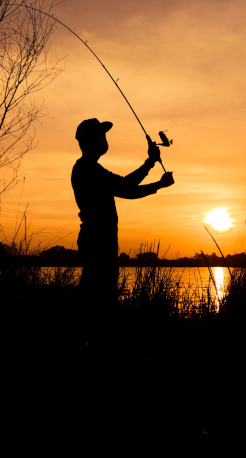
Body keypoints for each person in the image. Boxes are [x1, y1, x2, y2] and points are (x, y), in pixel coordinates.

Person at [71, 118, 175, 315]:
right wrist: (152, 168)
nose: (103, 139)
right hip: (96, 241)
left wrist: (153, 171)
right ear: (88, 141)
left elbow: (126, 189)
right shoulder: (87, 169)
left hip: (101, 240)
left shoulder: (91, 168)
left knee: (98, 299)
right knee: (99, 301)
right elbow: (126, 187)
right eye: (99, 135)